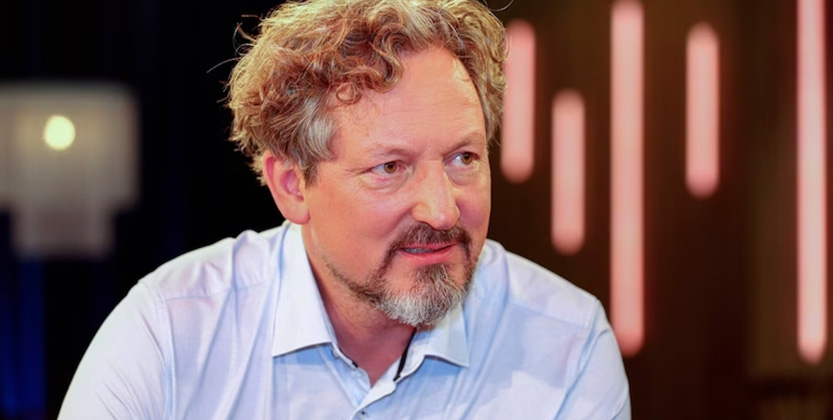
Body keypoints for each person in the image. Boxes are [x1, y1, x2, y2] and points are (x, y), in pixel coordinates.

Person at [59, 0, 630, 418]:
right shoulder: (169, 336)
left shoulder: (567, 347)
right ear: (292, 186)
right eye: (390, 167)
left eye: (463, 159)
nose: (442, 211)